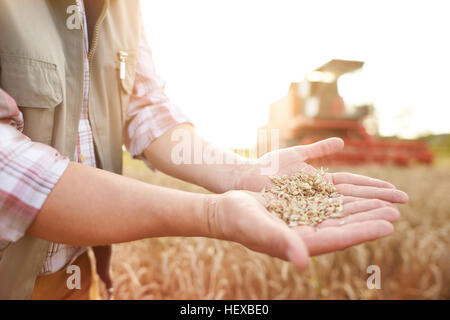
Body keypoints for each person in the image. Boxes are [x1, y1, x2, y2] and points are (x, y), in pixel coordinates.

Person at [0, 0, 407, 300]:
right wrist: (212, 214)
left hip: (76, 277)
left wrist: (237, 173)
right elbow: (11, 170)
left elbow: (143, 107)